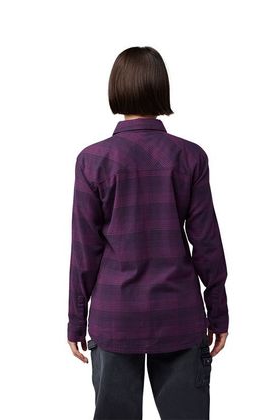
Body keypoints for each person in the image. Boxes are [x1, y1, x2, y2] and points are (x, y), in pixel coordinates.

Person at [67, 46, 229, 420]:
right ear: (162, 88)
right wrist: (218, 313)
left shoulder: (93, 160)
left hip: (114, 315)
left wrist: (75, 319)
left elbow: (84, 251)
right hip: (179, 314)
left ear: (116, 89)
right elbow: (207, 243)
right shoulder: (189, 157)